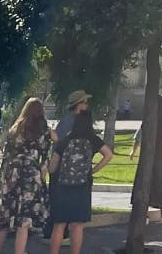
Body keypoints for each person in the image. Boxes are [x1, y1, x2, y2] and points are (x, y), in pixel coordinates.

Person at [0, 98, 54, 254]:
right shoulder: (43, 130)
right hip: (30, 176)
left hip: (11, 175)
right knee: (24, 221)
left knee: (4, 216)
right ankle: (20, 252)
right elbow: (45, 156)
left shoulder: (16, 128)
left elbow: (6, 151)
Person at [47, 108, 113, 254]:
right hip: (83, 186)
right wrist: (93, 170)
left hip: (63, 186)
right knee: (77, 226)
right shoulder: (93, 139)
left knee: (59, 225)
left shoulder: (65, 140)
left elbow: (52, 168)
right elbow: (108, 154)